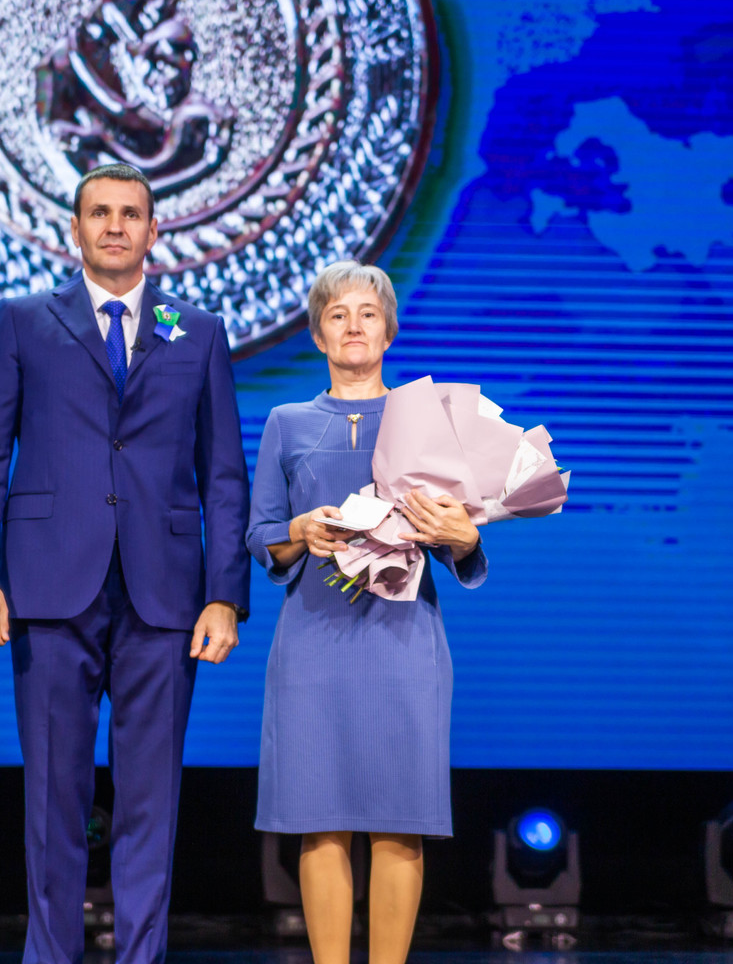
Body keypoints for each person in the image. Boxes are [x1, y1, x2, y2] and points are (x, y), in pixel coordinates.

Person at [0, 163, 251, 964]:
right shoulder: (24, 322)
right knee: (55, 796)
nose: (115, 226)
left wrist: (225, 594)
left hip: (166, 595)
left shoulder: (197, 330)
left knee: (153, 800)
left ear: (155, 230)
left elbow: (224, 474)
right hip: (50, 588)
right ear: (75, 229)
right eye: (99, 213)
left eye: (130, 213)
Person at [246, 261, 487, 964]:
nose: (354, 326)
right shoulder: (287, 423)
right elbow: (262, 536)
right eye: (338, 314)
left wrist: (463, 535)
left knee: (399, 821)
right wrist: (300, 531)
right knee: (318, 822)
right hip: (312, 641)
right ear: (318, 334)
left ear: (389, 332)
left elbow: (463, 540)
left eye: (368, 314)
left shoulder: (430, 422)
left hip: (403, 640)